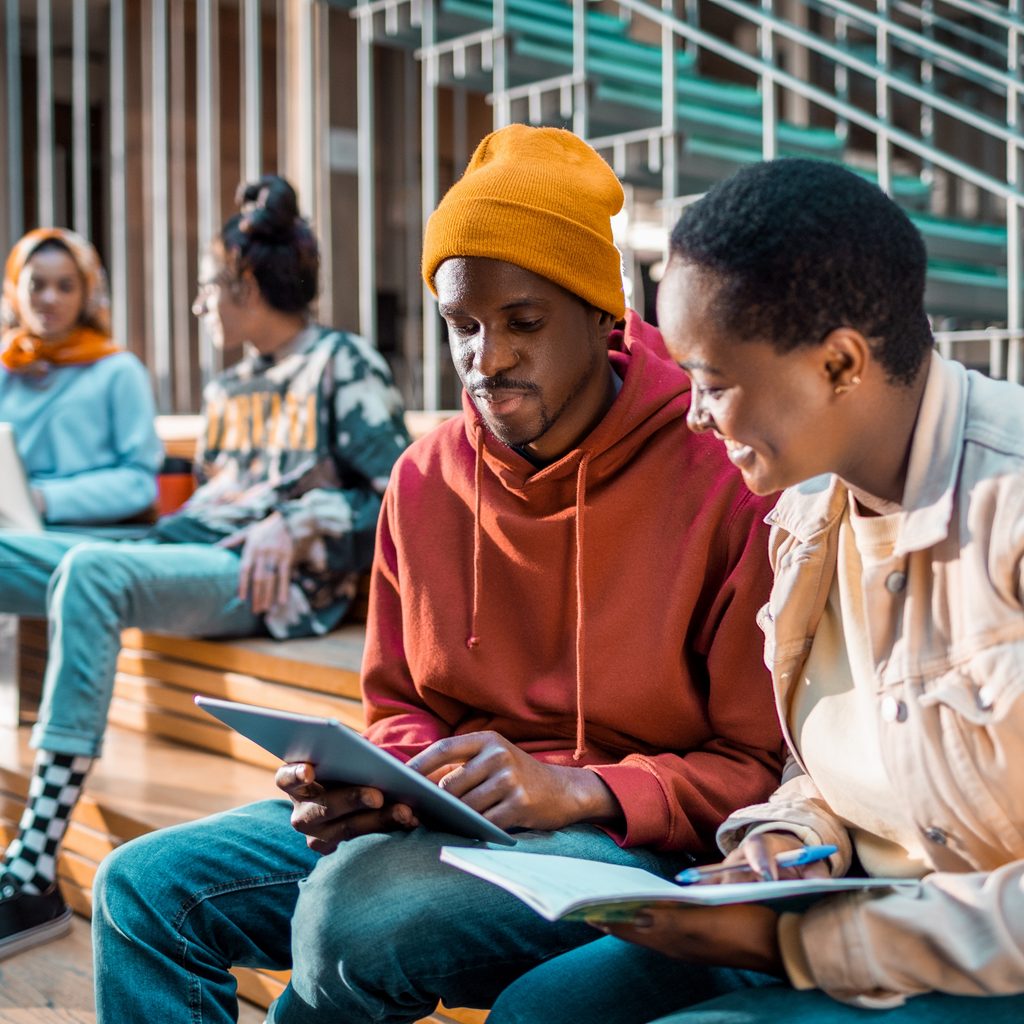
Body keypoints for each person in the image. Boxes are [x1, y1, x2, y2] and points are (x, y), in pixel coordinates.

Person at [91, 125, 784, 1024]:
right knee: (139, 891)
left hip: (632, 841)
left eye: (523, 323)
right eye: (462, 325)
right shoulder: (424, 478)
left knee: (356, 917)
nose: (485, 359)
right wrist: (387, 786)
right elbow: (399, 703)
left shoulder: (724, 478)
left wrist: (582, 787)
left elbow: (755, 767)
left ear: (604, 314)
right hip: (445, 826)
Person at [485, 158, 1024, 1024]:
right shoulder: (806, 512)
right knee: (537, 1014)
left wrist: (795, 947)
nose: (694, 415)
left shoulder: (1010, 506)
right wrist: (785, 838)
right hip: (833, 919)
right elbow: (836, 762)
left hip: (981, 960)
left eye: (715, 382)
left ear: (840, 364)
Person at [0, 175, 410, 958]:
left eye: (205, 289)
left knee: (89, 572)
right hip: (190, 550)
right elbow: (219, 495)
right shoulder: (228, 385)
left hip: (267, 587)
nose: (200, 307)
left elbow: (400, 499)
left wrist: (299, 519)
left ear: (245, 286)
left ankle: (29, 871)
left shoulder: (341, 363)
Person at [0, 227, 162, 525]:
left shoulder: (118, 371)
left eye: (65, 286)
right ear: (14, 290)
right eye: (36, 285)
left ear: (86, 294)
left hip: (91, 535)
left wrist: (44, 499)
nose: (49, 298)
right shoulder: (6, 368)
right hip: (13, 528)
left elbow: (140, 483)